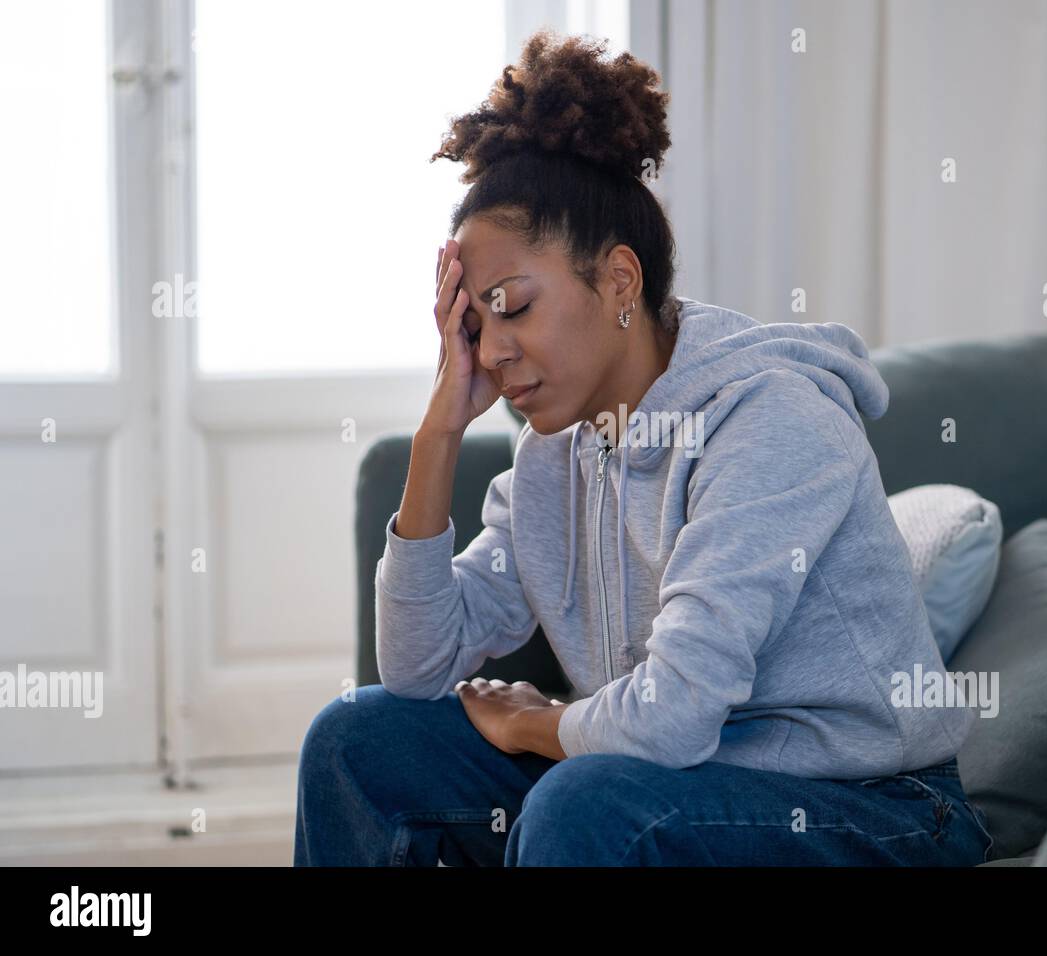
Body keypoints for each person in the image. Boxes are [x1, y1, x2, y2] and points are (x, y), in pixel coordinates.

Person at [294, 27, 994, 867]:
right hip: (673, 780)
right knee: (356, 739)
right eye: (474, 326)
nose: (493, 351)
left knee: (584, 805)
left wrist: (534, 723)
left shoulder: (770, 421)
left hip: (876, 806)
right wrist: (442, 424)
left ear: (619, 281)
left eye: (513, 307)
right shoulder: (556, 454)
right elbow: (416, 666)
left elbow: (672, 714)